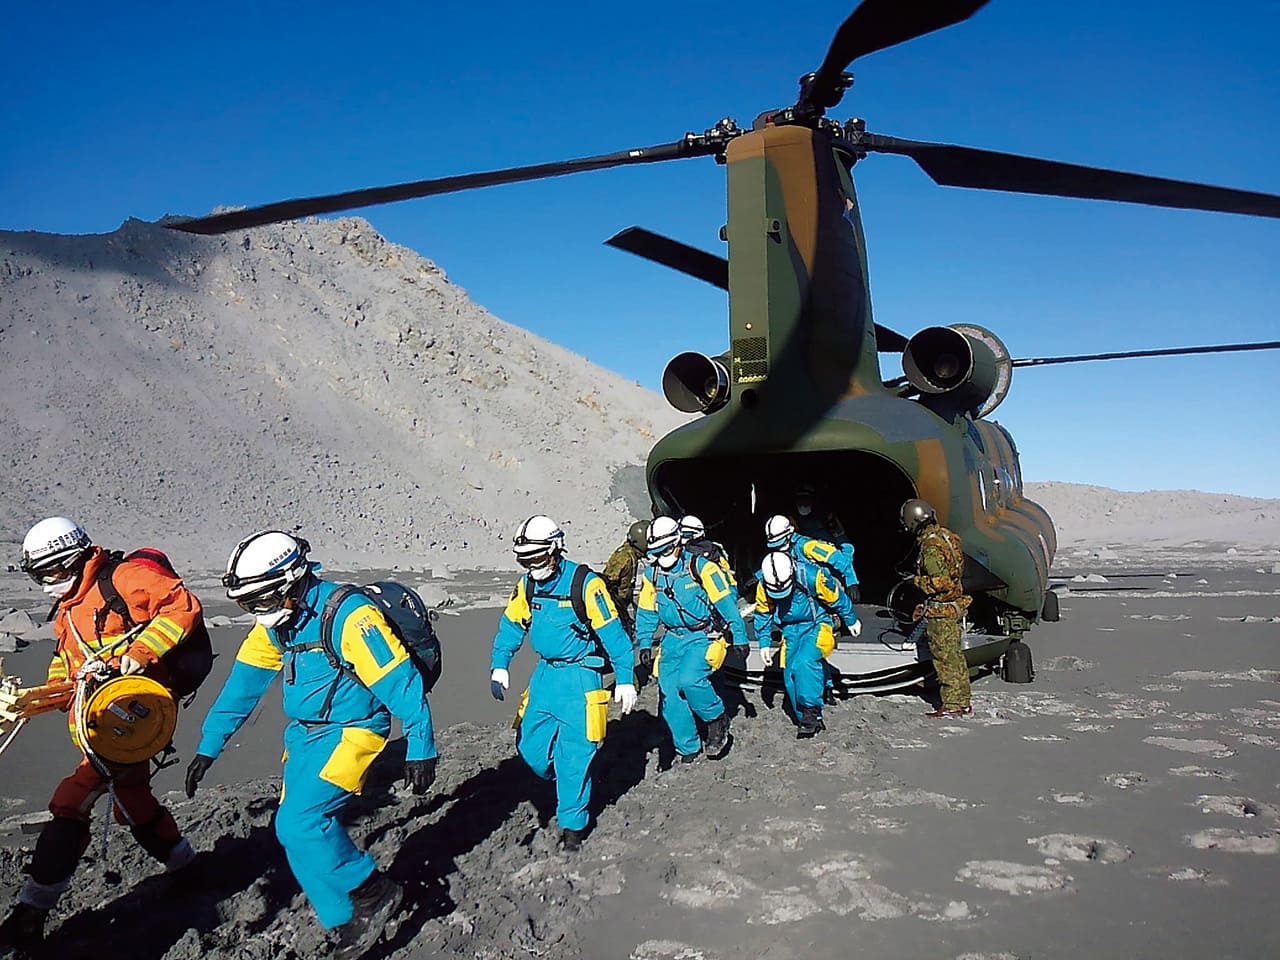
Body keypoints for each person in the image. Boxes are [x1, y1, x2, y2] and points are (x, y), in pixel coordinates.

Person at [184, 531, 437, 960]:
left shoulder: (349, 617)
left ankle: (373, 890)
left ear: (291, 582)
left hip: (353, 731)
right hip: (303, 736)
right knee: (293, 832)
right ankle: (345, 921)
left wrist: (420, 744)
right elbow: (241, 687)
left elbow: (401, 684)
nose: (256, 612)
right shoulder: (276, 626)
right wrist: (210, 745)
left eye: (262, 600)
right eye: (249, 604)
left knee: (301, 823)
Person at [0, 518, 202, 954]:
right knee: (131, 802)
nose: (47, 585)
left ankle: (29, 915)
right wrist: (42, 697)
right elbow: (68, 662)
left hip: (133, 718)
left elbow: (181, 605)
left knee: (71, 804)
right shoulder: (72, 608)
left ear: (72, 560)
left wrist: (139, 654)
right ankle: (187, 867)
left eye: (50, 574)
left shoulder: (127, 579)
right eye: (39, 577)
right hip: (102, 727)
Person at [490, 515, 637, 852]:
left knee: (574, 756)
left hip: (581, 678)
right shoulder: (527, 586)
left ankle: (573, 826)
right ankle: (570, 783)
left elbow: (613, 635)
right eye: (523, 559)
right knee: (531, 748)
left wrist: (625, 679)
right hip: (544, 678)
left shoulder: (585, 585)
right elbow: (512, 625)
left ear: (555, 548)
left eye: (536, 558)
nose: (531, 566)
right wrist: (500, 665)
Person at [635, 517, 746, 763]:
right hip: (673, 638)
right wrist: (644, 641)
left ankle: (717, 720)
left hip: (703, 635)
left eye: (663, 549)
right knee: (669, 693)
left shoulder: (702, 568)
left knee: (690, 679)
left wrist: (738, 634)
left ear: (677, 543)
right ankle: (688, 747)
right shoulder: (652, 574)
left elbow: (725, 602)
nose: (659, 556)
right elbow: (646, 610)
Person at [754, 551, 860, 738]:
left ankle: (811, 712)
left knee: (805, 662)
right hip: (789, 631)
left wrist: (851, 620)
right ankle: (806, 716)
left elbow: (837, 599)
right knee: (789, 675)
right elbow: (763, 612)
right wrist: (763, 641)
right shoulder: (764, 583)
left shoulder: (812, 576)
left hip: (817, 624)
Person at [901, 498, 973, 718]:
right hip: (953, 606)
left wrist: (915, 581)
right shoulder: (946, 536)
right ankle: (963, 701)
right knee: (955, 657)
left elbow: (940, 583)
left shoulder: (931, 547)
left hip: (941, 610)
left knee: (945, 659)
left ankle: (952, 705)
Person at [601, 519, 649, 630]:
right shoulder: (624, 557)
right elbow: (607, 582)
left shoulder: (631, 555)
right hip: (616, 605)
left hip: (623, 602)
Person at [792, 480, 851, 547]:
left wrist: (845, 552)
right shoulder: (792, 518)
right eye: (799, 499)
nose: (802, 502)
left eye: (806, 498)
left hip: (828, 548)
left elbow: (840, 537)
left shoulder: (826, 515)